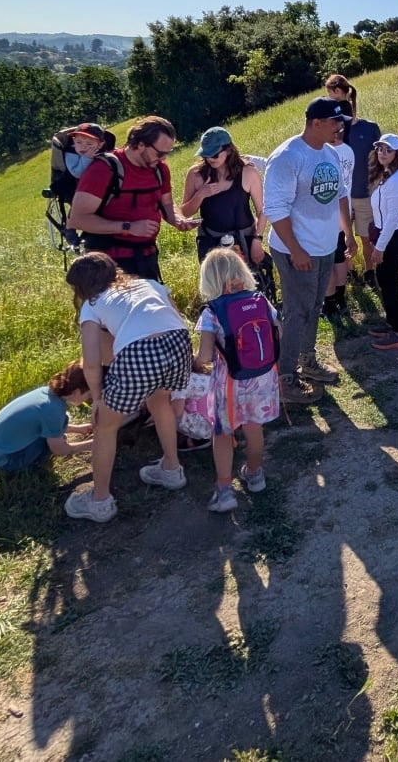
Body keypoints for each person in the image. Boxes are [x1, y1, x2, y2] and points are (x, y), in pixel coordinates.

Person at [64, 254, 193, 522]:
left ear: (81, 287)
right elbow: (176, 318)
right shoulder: (147, 284)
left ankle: (99, 501)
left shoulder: (92, 304)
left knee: (105, 426)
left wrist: (98, 399)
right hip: (179, 342)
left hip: (139, 353)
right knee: (161, 404)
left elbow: (90, 362)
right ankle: (172, 469)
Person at [264, 97, 354, 404]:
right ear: (316, 123)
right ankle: (285, 378)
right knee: (297, 311)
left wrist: (348, 235)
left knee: (314, 307)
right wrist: (296, 250)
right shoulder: (288, 158)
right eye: (335, 123)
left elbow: (341, 195)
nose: (340, 128)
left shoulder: (328, 152)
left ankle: (308, 361)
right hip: (297, 251)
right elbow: (275, 210)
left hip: (325, 247)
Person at [193, 249, 281, 513]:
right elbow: (279, 334)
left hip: (229, 383)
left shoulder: (212, 312)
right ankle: (254, 474)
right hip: (262, 379)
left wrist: (196, 363)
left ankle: (224, 491)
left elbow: (206, 356)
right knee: (254, 430)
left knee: (222, 433)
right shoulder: (261, 301)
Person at [68, 115, 197, 282]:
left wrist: (178, 220)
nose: (163, 158)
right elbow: (78, 219)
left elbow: (167, 204)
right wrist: (128, 227)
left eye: (167, 153)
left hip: (146, 258)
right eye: (160, 153)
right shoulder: (103, 170)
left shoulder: (159, 169)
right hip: (108, 265)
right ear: (140, 144)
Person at [0, 363, 94, 474]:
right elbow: (59, 450)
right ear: (77, 392)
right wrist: (92, 444)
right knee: (50, 444)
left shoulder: (46, 394)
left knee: (54, 436)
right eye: (89, 395)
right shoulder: (53, 410)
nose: (88, 399)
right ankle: (24, 471)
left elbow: (47, 425)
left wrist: (78, 429)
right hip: (2, 463)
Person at [181, 127, 267, 267]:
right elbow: (185, 212)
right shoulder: (196, 174)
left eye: (214, 155)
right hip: (211, 241)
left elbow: (262, 210)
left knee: (252, 284)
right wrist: (201, 194)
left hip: (246, 238)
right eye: (205, 155)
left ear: (228, 150)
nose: (210, 159)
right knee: (217, 287)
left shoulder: (248, 172)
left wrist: (257, 241)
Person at [367, 133, 398, 350]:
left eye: (388, 150)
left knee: (389, 283)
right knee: (385, 281)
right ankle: (392, 323)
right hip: (387, 234)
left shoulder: (396, 180)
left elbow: (393, 218)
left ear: (396, 153)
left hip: (392, 236)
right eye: (380, 149)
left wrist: (379, 247)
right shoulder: (387, 174)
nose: (382, 153)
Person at [338, 86, 383, 282]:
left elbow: (383, 160)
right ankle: (349, 273)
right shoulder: (332, 135)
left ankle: (369, 272)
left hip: (365, 194)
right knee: (343, 239)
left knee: (366, 238)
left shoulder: (370, 128)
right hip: (341, 198)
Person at [323, 116, 359, 316]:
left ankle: (329, 304)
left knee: (328, 261)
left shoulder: (327, 153)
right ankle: (341, 298)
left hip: (328, 215)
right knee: (341, 257)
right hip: (344, 212)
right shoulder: (349, 151)